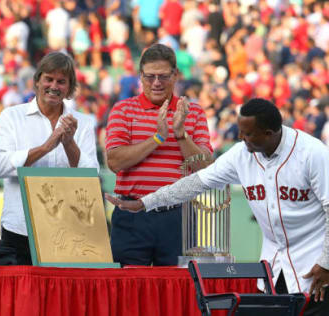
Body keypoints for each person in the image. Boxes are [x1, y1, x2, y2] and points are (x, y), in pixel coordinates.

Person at [106, 98, 329, 315]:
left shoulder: (312, 153)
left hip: (317, 267)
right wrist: (145, 203)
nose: (240, 137)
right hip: (275, 266)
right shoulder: (242, 154)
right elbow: (196, 182)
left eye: (248, 133)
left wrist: (326, 263)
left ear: (269, 133)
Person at [105, 43, 212, 266]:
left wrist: (181, 135)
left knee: (176, 290)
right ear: (140, 76)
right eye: (150, 76)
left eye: (163, 76)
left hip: (178, 216)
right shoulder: (122, 110)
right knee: (130, 288)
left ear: (176, 75)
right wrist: (157, 138)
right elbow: (115, 162)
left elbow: (206, 168)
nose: (156, 83)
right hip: (132, 215)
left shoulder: (194, 113)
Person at [0, 52, 99, 265]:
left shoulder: (83, 123)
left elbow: (91, 176)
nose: (54, 86)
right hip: (20, 228)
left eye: (61, 81)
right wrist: (45, 147)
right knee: (20, 295)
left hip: (67, 229)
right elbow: (0, 166)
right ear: (37, 81)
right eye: (48, 79)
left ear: (69, 88)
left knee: (60, 296)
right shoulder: (11, 116)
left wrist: (69, 144)